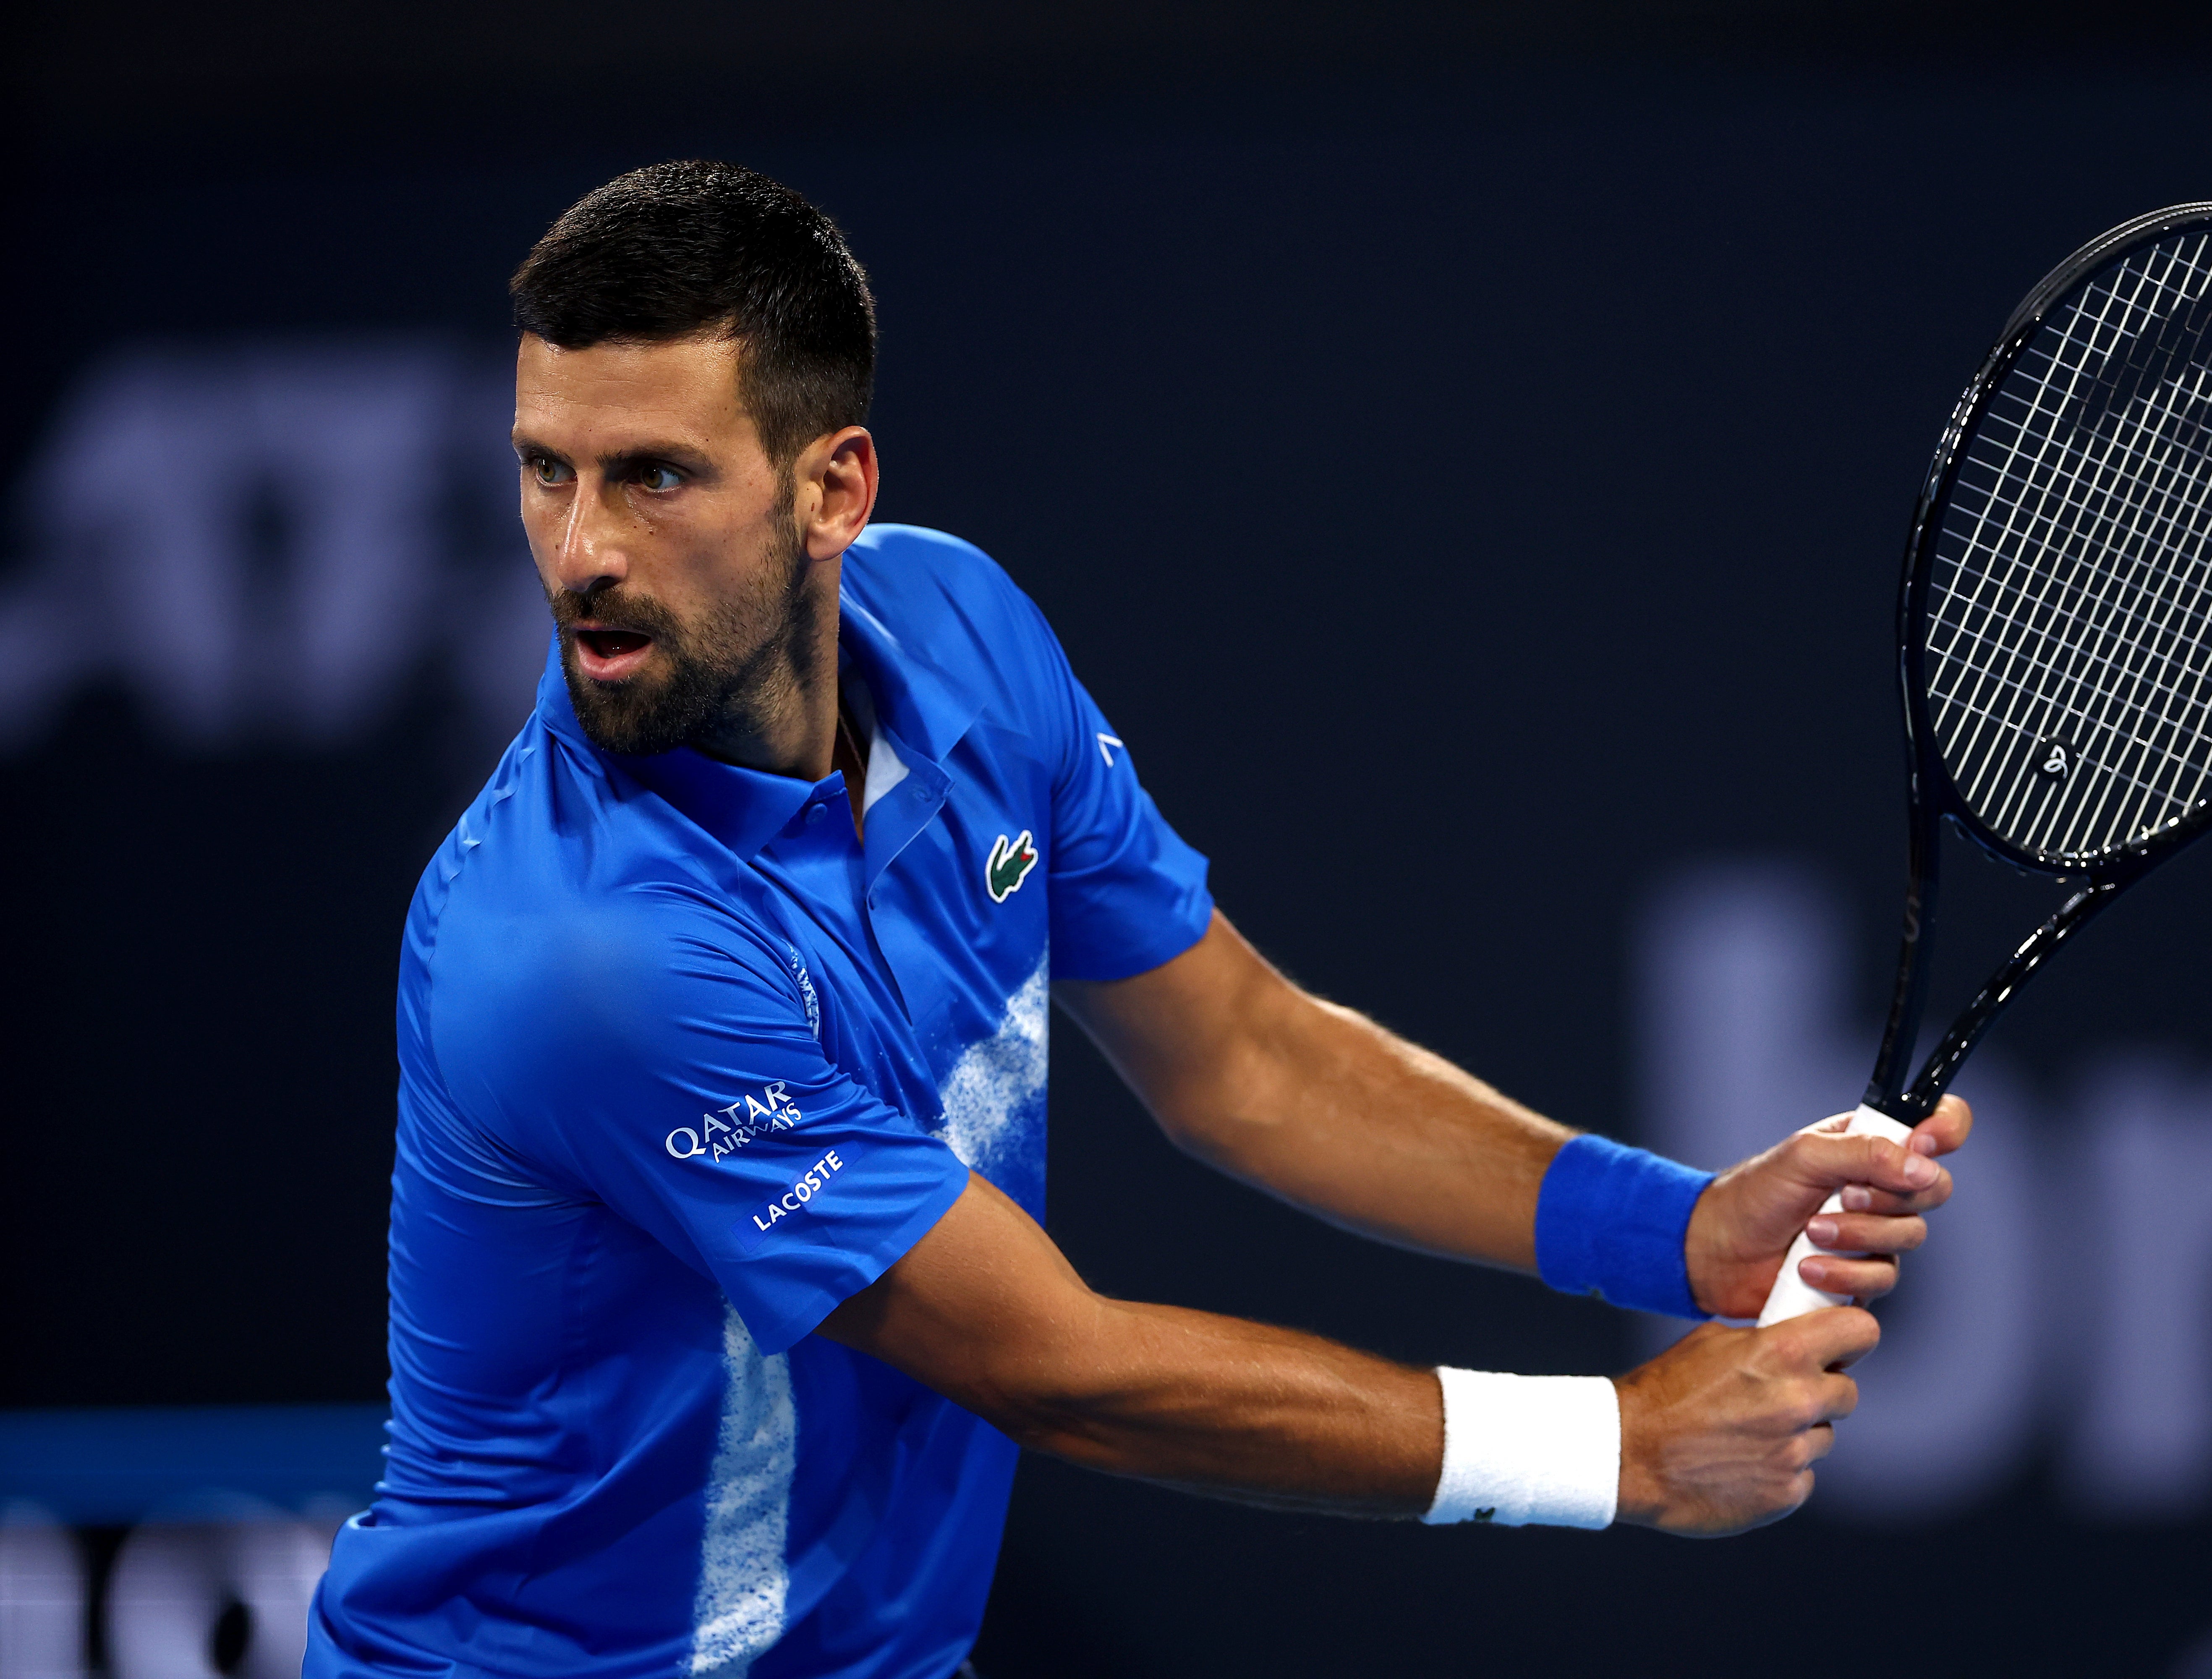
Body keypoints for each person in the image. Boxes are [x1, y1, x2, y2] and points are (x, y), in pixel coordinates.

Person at [306, 160, 1971, 1679]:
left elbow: (1240, 1059)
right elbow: (1058, 1370)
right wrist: (1618, 1448)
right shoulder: (587, 956)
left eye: (655, 475)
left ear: (833, 490)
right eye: (546, 471)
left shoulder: (962, 632)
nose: (581, 549)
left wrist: (1673, 1232)